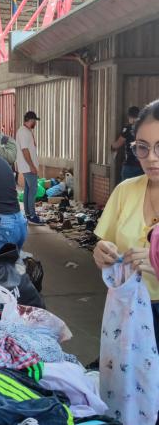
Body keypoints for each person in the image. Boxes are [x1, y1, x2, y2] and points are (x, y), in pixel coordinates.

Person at [93, 99, 159, 349]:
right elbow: (104, 244)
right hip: (127, 311)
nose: (151, 158)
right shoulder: (125, 191)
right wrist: (101, 253)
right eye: (142, 147)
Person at [16, 111, 44, 226]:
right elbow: (25, 150)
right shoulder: (23, 132)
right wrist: (32, 166)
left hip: (27, 166)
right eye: (34, 121)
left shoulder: (26, 131)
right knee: (33, 190)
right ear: (30, 120)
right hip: (28, 167)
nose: (35, 123)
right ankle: (32, 215)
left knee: (28, 190)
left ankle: (28, 214)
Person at [112, 106, 143, 182]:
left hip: (130, 165)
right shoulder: (144, 128)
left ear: (130, 117)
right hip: (142, 166)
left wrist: (111, 146)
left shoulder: (128, 128)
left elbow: (118, 144)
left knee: (126, 190)